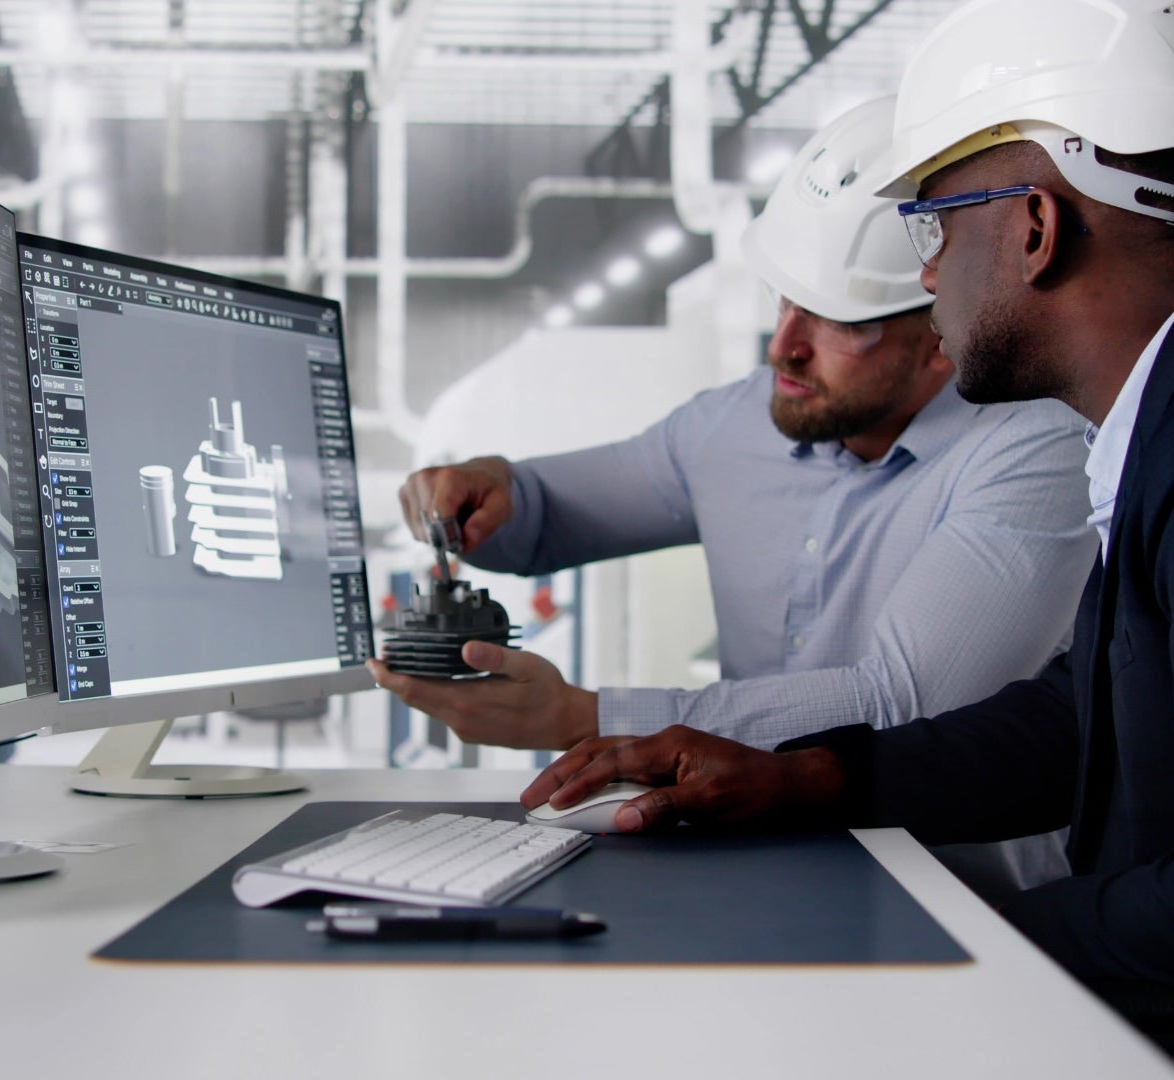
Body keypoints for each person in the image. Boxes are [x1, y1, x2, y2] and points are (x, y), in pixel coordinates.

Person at [521, 0, 1174, 1039]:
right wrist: (801, 778)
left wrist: (981, 962)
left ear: (1035, 231)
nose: (927, 272)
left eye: (937, 225)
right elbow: (1074, 724)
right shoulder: (1141, 445)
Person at [368, 96, 1098, 893]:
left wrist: (586, 718)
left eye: (837, 324)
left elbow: (904, 701)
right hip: (768, 862)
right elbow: (542, 510)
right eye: (784, 300)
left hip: (967, 901)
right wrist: (489, 491)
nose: (784, 345)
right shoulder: (737, 424)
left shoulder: (1038, 447)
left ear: (942, 333)